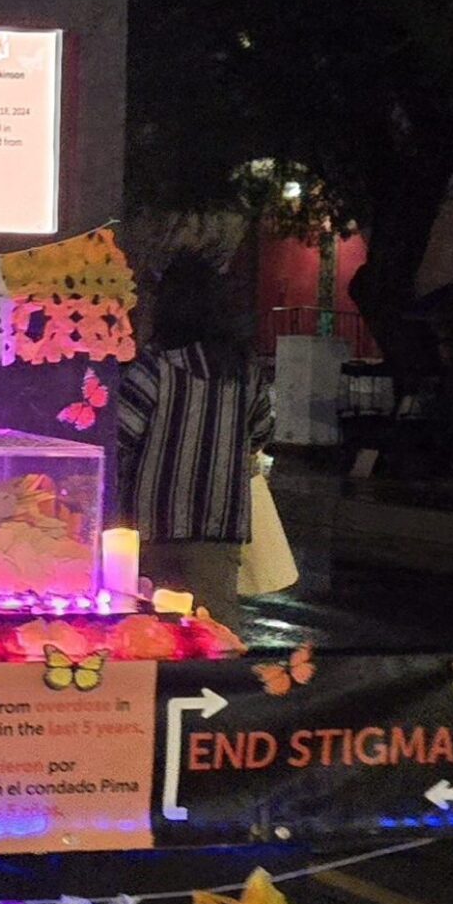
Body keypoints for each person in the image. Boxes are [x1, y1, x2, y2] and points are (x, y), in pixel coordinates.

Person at [116, 252, 274, 627]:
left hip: (153, 525)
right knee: (214, 632)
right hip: (219, 528)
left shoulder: (155, 368)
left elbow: (122, 435)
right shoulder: (245, 371)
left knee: (153, 631)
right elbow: (262, 432)